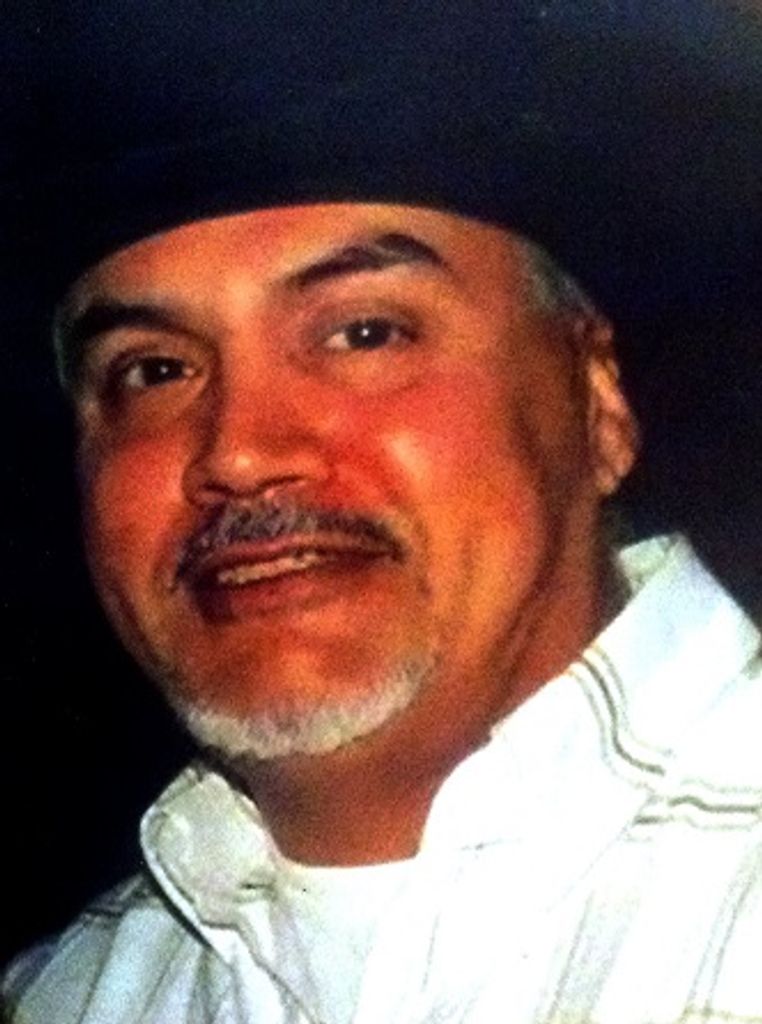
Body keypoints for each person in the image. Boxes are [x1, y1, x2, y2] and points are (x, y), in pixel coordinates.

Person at [3, 3, 762, 1022]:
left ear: (597, 402)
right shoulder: (70, 995)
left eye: (364, 333)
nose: (238, 452)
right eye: (155, 370)